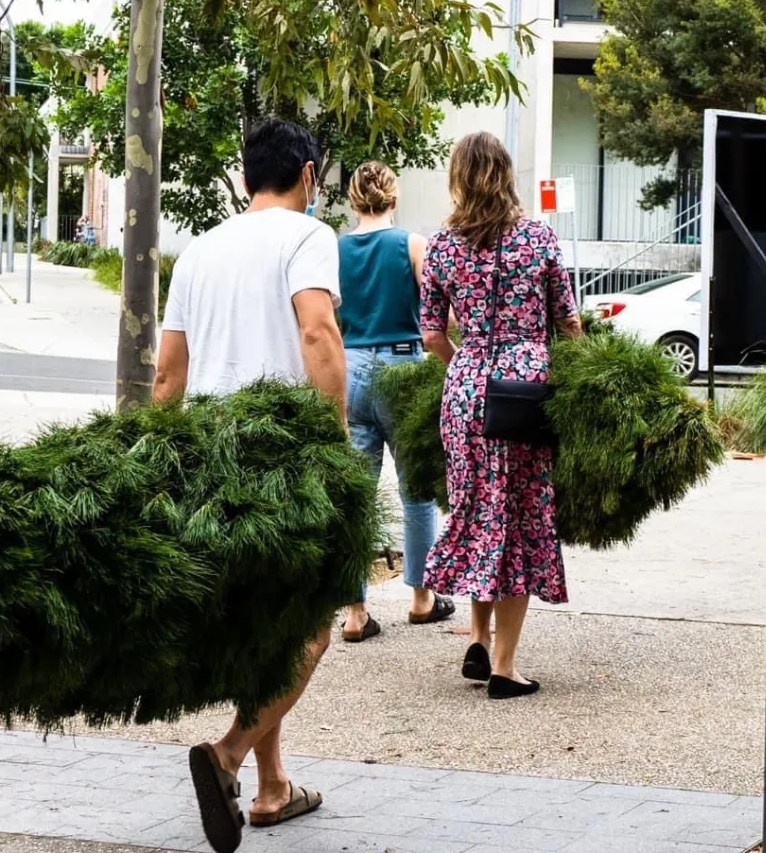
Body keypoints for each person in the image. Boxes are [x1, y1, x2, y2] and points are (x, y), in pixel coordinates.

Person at [156, 117, 344, 853]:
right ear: (307, 174)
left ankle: (272, 787)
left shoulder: (199, 250)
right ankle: (229, 755)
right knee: (312, 626)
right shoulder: (308, 237)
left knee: (261, 623)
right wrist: (333, 443)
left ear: (243, 178)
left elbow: (169, 371)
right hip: (283, 458)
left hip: (207, 460)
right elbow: (318, 334)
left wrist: (153, 462)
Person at [419, 132, 581, 700]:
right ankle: (505, 668)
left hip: (465, 390)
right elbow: (569, 321)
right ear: (506, 174)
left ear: (459, 177)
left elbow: (432, 333)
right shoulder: (538, 239)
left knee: (477, 511)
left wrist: (466, 362)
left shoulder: (441, 246)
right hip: (525, 390)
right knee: (519, 518)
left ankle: (480, 640)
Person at [336, 162, 452, 643]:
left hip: (351, 366)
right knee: (416, 489)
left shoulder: (334, 249)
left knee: (354, 496)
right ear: (393, 198)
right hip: (404, 367)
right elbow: (439, 308)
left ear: (352, 199)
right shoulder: (412, 245)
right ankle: (422, 599)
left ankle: (355, 611)